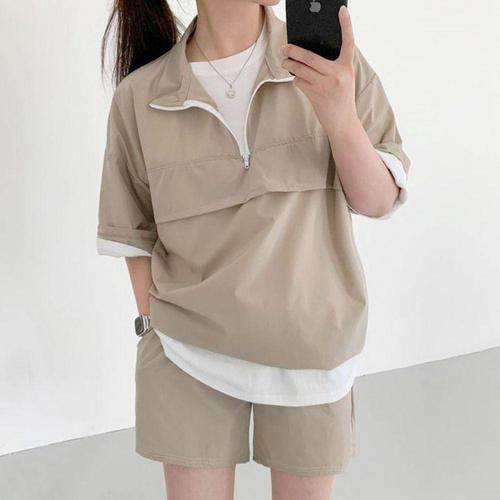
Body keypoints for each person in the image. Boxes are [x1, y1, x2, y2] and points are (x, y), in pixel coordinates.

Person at [97, 1, 410, 498]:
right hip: (186, 354)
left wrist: (340, 116)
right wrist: (152, 327)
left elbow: (378, 201)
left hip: (312, 349)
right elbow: (132, 231)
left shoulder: (329, 65)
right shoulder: (141, 96)